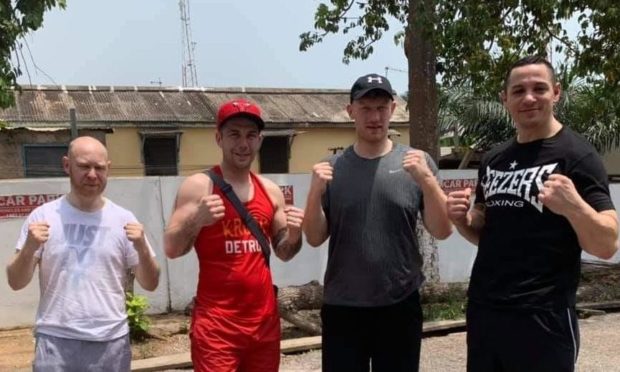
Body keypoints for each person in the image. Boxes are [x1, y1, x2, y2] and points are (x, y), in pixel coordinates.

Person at [447, 55, 619, 372]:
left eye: (539, 88)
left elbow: (607, 243)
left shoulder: (577, 155)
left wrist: (574, 206)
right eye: (518, 90)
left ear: (556, 93)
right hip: (486, 310)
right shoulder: (495, 158)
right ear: (505, 99)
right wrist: (463, 220)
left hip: (544, 314)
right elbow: (484, 232)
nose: (529, 98)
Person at [303, 73, 452, 372]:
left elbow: (442, 229)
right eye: (366, 108)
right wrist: (314, 192)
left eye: (381, 108)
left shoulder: (417, 162)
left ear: (393, 109)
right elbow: (315, 237)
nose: (374, 117)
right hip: (343, 306)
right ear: (351, 112)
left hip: (399, 304)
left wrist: (426, 181)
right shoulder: (331, 169)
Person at [164, 98, 305, 372]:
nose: (243, 143)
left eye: (251, 135)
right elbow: (172, 248)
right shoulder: (199, 186)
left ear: (260, 140)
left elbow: (285, 252)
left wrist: (297, 234)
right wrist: (197, 219)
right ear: (219, 138)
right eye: (234, 134)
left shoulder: (270, 190)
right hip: (217, 326)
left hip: (264, 324)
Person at [5, 136, 160, 372]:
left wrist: (142, 248)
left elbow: (151, 283)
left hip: (111, 342)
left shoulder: (124, 219)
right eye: (84, 166)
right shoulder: (43, 217)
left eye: (99, 168)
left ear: (108, 168)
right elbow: (15, 281)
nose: (92, 174)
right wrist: (28, 247)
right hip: (56, 342)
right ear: (67, 165)